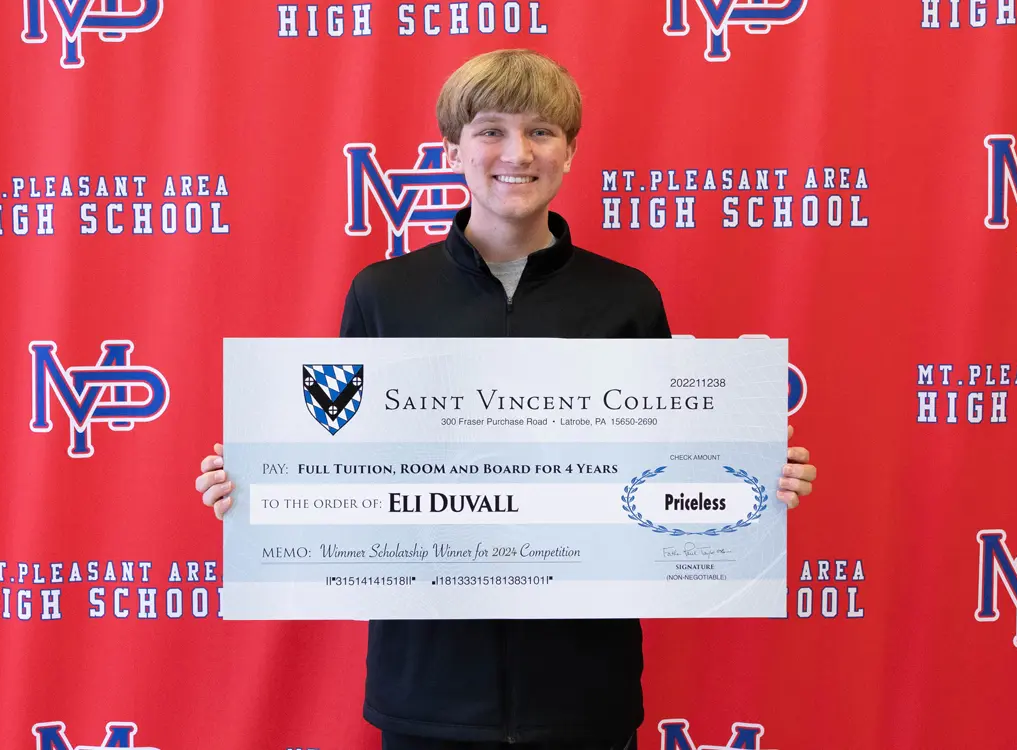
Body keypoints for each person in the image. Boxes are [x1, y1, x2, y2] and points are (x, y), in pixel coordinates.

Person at [194, 49, 817, 750]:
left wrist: (751, 486)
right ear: (453, 148)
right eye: (490, 130)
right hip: (426, 687)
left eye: (542, 132)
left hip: (583, 689)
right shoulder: (384, 294)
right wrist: (259, 488)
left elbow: (668, 467)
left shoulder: (626, 298)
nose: (515, 152)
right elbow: (343, 465)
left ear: (570, 152)